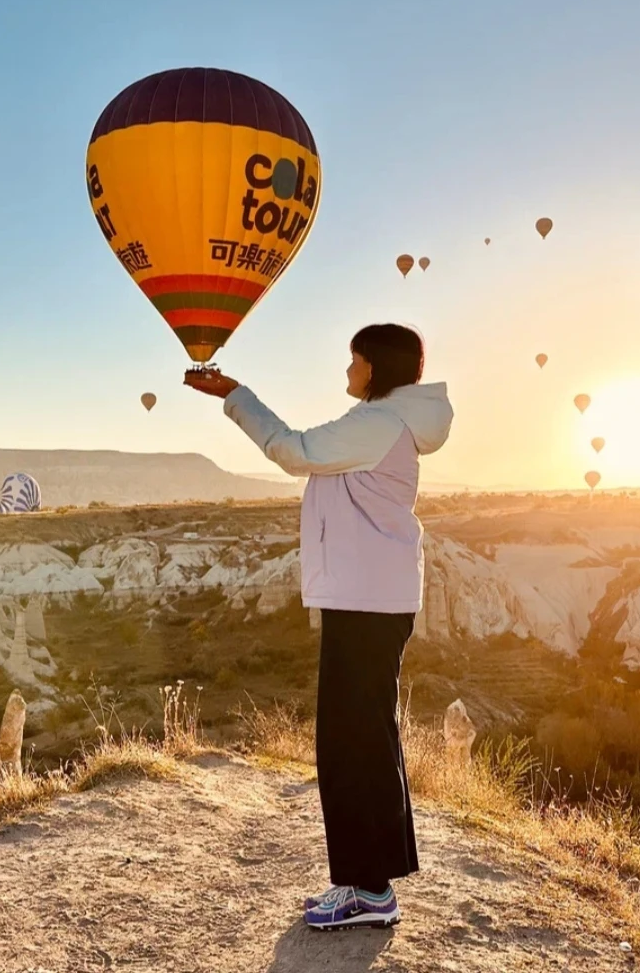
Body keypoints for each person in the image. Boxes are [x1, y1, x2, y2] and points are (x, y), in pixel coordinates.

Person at [185, 323, 453, 931]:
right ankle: (372, 882)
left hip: (364, 601)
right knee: (367, 737)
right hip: (372, 597)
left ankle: (369, 889)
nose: (347, 370)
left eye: (354, 360)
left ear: (374, 367)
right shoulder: (390, 422)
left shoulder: (378, 423)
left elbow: (292, 449)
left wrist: (234, 395)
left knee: (350, 743)